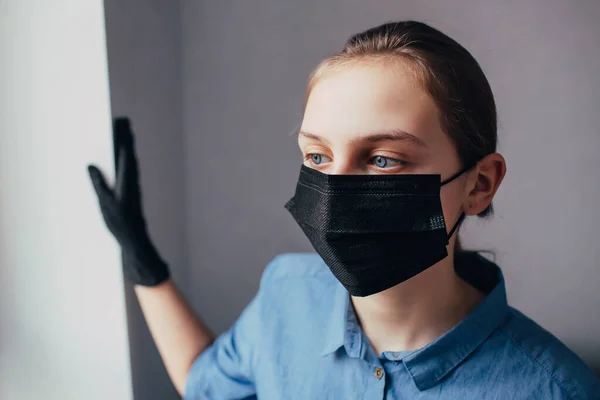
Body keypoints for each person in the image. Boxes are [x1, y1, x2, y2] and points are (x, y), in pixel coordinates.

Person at [88, 21, 600, 399]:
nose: (333, 191)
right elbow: (207, 384)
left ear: (480, 184)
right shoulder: (286, 294)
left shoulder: (555, 389)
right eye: (317, 156)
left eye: (382, 159)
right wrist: (142, 261)